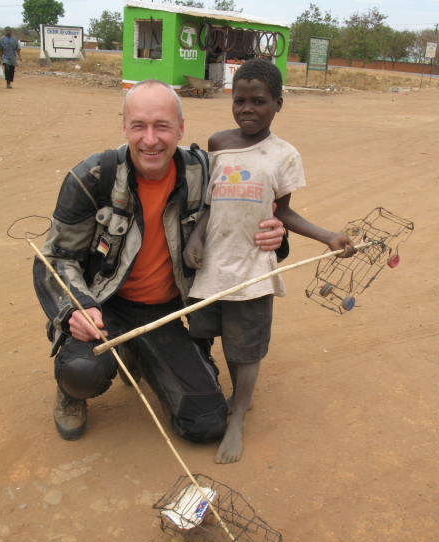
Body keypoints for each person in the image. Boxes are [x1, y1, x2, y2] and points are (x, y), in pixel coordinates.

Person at [33, 79, 287, 443]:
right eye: (139, 126)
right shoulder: (93, 177)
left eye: (162, 126)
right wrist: (77, 308)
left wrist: (276, 235)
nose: (150, 140)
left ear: (181, 129)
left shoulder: (208, 172)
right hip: (104, 307)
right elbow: (55, 258)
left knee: (207, 424)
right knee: (82, 369)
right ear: (125, 127)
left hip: (166, 312)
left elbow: (246, 223)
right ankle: (72, 393)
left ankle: (139, 353)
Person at [183, 60, 355, 465]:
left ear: (278, 103)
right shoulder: (217, 143)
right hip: (213, 267)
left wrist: (327, 236)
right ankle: (236, 397)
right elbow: (211, 203)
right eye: (239, 99)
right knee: (226, 336)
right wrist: (195, 236)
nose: (248, 108)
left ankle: (239, 414)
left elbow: (285, 213)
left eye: (259, 101)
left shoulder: (284, 155)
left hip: (254, 268)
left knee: (248, 346)